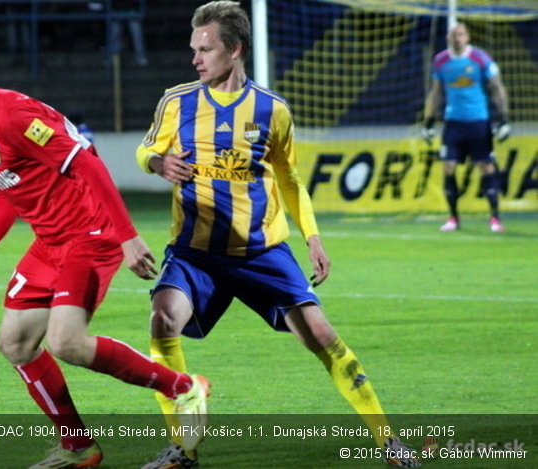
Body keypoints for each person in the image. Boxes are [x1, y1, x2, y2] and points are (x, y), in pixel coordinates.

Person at [134, 2, 419, 468]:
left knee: (321, 335)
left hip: (261, 252)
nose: (195, 59)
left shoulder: (273, 111)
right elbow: (146, 149)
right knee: (162, 318)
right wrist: (156, 162)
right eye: (194, 49)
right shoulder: (176, 101)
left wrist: (312, 236)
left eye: (205, 49)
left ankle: (389, 441)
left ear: (235, 49)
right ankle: (182, 448)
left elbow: (290, 179)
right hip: (196, 253)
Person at [0, 27, 210, 468]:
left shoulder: (13, 114)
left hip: (91, 236)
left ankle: (184, 387)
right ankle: (79, 447)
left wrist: (127, 235)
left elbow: (87, 162)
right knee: (14, 342)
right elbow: (8, 193)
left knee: (66, 341)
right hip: (50, 243)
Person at [422, 21, 510, 233]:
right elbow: (436, 93)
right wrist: (429, 122)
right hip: (453, 122)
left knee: (486, 167)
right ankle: (453, 218)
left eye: (461, 34)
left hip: (479, 121)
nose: (457, 38)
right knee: (448, 166)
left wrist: (504, 119)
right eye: (454, 35)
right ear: (448, 38)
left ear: (467, 37)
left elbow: (496, 87)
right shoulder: (441, 61)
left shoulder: (480, 58)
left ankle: (495, 218)